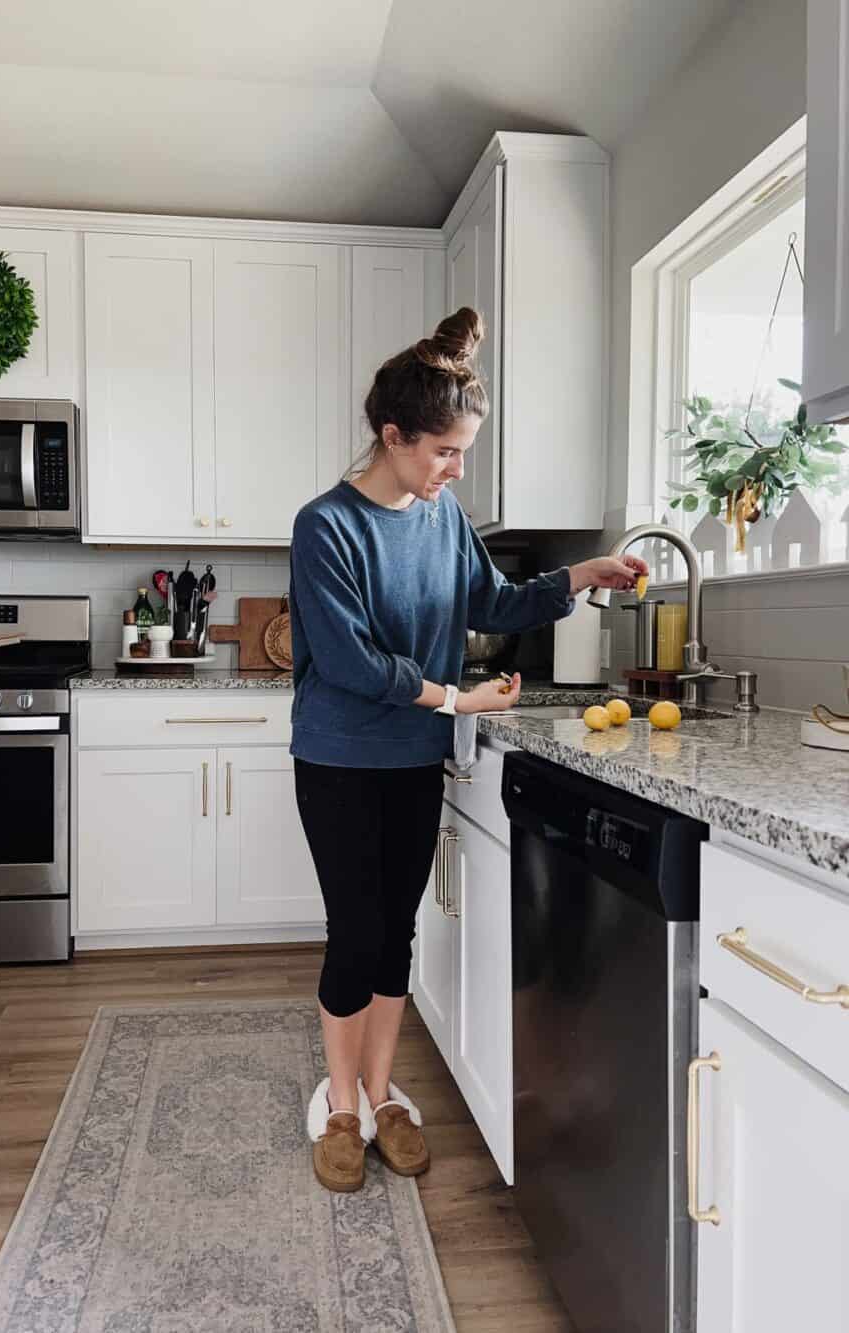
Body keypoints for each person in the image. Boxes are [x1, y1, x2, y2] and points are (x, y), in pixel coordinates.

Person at [289, 307, 647, 1193]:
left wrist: (581, 576)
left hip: (413, 754)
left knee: (398, 935)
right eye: (444, 451)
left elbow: (491, 601)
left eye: (465, 453)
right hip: (339, 756)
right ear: (393, 434)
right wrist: (456, 697)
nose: (456, 470)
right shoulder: (325, 525)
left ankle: (382, 1093)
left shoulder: (444, 518)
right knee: (355, 934)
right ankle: (339, 1104)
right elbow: (348, 661)